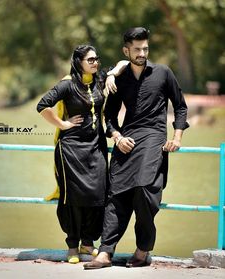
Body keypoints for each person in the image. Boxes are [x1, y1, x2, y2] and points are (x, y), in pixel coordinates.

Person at [84, 27, 189, 269]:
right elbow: (108, 114)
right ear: (126, 50)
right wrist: (117, 136)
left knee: (144, 189)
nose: (142, 53)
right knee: (116, 194)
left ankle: (143, 249)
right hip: (127, 139)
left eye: (145, 48)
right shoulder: (119, 78)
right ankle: (106, 252)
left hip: (154, 138)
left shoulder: (163, 73)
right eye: (137, 49)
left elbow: (180, 106)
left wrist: (177, 137)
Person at [36, 45, 109, 264]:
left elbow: (122, 65)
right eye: (90, 60)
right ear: (78, 62)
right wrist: (63, 124)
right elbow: (42, 106)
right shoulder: (67, 84)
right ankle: (72, 245)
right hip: (71, 149)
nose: (95, 63)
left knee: (98, 194)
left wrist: (114, 73)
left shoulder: (100, 80)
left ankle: (88, 242)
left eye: (97, 59)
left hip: (96, 147)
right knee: (72, 198)